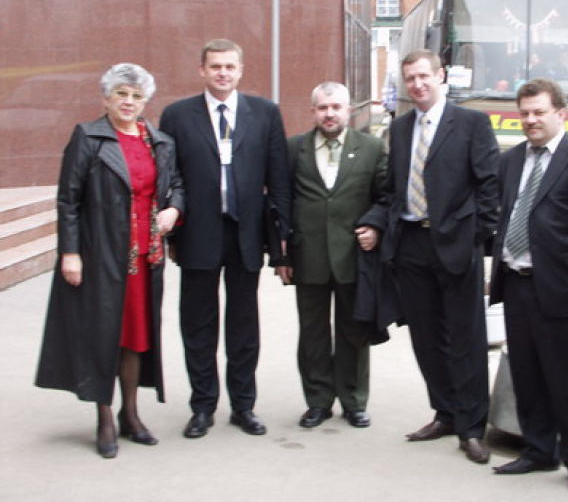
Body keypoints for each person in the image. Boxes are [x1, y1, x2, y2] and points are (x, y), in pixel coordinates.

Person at [35, 63, 184, 459]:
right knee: (104, 336)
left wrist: (174, 209)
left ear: (145, 101)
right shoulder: (89, 137)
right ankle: (104, 418)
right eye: (121, 94)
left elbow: (175, 185)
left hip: (144, 260)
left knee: (135, 338)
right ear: (106, 99)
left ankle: (130, 414)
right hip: (100, 256)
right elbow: (69, 199)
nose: (129, 102)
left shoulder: (159, 142)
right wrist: (70, 252)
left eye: (136, 96)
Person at [358, 49, 500, 464]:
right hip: (411, 246)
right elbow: (392, 189)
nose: (418, 84)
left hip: (457, 245)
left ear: (441, 76)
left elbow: (489, 187)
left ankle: (472, 427)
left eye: (424, 76)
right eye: (411, 78)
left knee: (465, 339)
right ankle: (445, 413)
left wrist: (474, 237)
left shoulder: (471, 123)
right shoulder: (401, 128)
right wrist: (378, 224)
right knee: (426, 337)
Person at [159, 39, 291, 439]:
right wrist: (172, 232)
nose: (222, 73)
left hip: (246, 234)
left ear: (240, 70)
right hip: (198, 233)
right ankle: (202, 407)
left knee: (243, 325)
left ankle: (243, 406)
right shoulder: (177, 116)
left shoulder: (265, 113)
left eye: (229, 67)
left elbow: (279, 180)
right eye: (215, 66)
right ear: (202, 70)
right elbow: (169, 178)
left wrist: (282, 238)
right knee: (198, 325)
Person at [488, 78, 568, 494]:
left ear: (560, 113)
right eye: (524, 113)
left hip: (563, 289)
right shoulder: (510, 160)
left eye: (539, 112)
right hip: (517, 283)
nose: (531, 120)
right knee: (527, 374)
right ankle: (538, 450)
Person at [282, 82, 387, 429]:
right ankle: (318, 401)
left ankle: (354, 401)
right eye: (323, 107)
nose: (330, 114)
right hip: (307, 256)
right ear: (313, 111)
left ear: (349, 111)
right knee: (312, 333)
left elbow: (386, 196)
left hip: (354, 256)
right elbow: (281, 202)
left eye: (336, 107)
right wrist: (282, 255)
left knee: (354, 331)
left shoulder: (371, 148)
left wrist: (375, 227)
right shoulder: (293, 149)